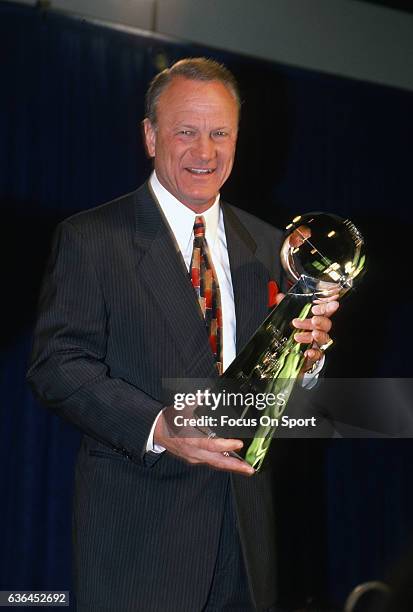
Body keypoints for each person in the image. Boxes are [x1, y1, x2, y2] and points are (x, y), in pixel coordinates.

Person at [27, 58, 337, 612]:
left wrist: (307, 359)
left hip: (247, 536)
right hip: (139, 537)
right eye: (186, 132)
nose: (205, 151)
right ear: (150, 136)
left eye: (220, 133)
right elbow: (56, 365)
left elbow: (286, 402)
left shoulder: (274, 247)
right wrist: (158, 426)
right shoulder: (93, 238)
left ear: (238, 139)